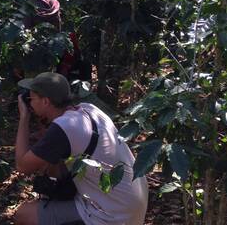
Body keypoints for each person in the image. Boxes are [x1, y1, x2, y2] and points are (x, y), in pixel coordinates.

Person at [14, 72, 148, 225]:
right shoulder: (88, 109)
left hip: (112, 214)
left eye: (31, 99)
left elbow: (22, 165)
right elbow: (57, 169)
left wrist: (24, 117)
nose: (29, 103)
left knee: (24, 215)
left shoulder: (64, 127)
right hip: (131, 202)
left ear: (45, 101)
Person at [17, 0, 89, 80]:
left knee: (35, 90)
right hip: (55, 54)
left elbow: (25, 35)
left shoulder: (29, 7)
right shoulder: (51, 1)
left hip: (36, 58)